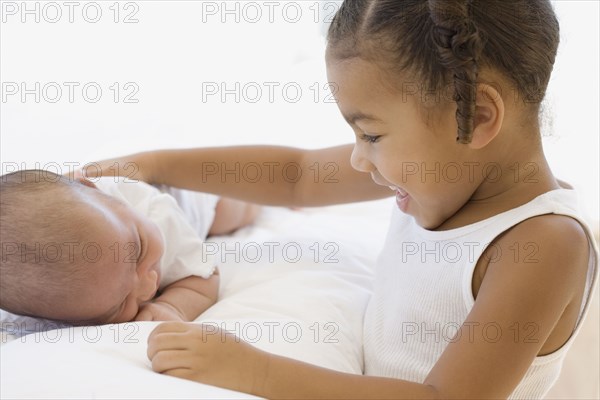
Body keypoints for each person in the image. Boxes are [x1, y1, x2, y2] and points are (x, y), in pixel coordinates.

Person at [79, 0, 598, 398]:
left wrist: (250, 369)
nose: (357, 160)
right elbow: (297, 175)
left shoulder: (544, 244)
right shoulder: (444, 166)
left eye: (370, 135)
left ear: (478, 116)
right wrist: (154, 164)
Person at [0, 170, 260, 326]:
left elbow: (204, 275)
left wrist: (173, 307)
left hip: (190, 193)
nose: (149, 285)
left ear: (92, 187)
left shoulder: (158, 214)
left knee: (233, 212)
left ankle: (263, 199)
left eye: (139, 250)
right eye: (121, 303)